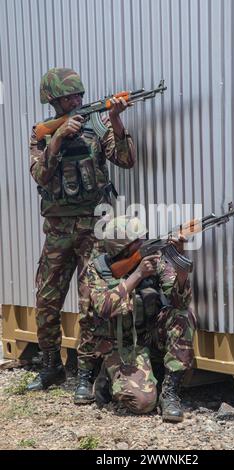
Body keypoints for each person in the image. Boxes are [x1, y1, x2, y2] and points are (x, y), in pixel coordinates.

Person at [27, 68, 136, 397]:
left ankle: (86, 374)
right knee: (46, 300)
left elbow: (127, 159)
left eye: (79, 96)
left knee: (91, 301)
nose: (77, 101)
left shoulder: (98, 125)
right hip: (58, 230)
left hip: (93, 228)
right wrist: (58, 138)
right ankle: (51, 366)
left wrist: (116, 121)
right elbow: (40, 175)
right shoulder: (43, 133)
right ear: (54, 101)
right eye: (70, 97)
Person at [79, 216, 196, 422]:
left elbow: (180, 302)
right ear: (121, 248)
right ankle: (107, 376)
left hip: (150, 335)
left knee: (181, 316)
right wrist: (138, 275)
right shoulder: (97, 270)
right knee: (142, 404)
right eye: (137, 241)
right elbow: (104, 307)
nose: (143, 243)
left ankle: (170, 393)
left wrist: (180, 266)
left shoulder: (155, 260)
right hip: (120, 345)